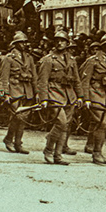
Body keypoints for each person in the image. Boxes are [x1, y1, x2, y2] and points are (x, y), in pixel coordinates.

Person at [77, 34, 106, 164]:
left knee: (103, 124)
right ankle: (97, 153)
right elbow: (85, 81)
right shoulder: (93, 60)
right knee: (101, 123)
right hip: (95, 93)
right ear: (103, 46)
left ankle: (94, 147)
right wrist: (86, 98)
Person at [35, 32, 80, 165]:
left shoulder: (71, 60)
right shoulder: (48, 59)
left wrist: (81, 96)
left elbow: (77, 79)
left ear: (67, 43)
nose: (60, 43)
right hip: (54, 94)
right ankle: (48, 149)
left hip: (69, 96)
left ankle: (58, 155)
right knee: (61, 122)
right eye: (57, 41)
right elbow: (42, 81)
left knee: (65, 126)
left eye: (63, 41)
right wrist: (43, 99)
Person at [0, 31, 37, 154]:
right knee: (16, 116)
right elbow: (4, 77)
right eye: (21, 42)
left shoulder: (29, 58)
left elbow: (34, 76)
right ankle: (9, 139)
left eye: (25, 42)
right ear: (15, 44)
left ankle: (18, 143)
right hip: (14, 90)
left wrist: (36, 92)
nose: (24, 44)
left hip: (27, 90)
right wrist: (5, 93)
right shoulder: (8, 58)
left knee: (23, 117)